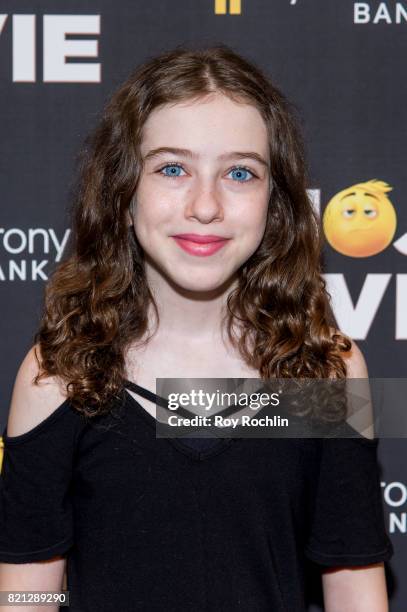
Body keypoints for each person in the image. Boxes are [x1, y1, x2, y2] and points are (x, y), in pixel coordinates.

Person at [0, 44, 393, 611]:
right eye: (172, 168)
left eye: (239, 173)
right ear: (123, 190)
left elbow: (355, 585)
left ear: (275, 202)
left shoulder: (326, 373)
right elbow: (26, 599)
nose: (205, 206)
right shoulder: (60, 376)